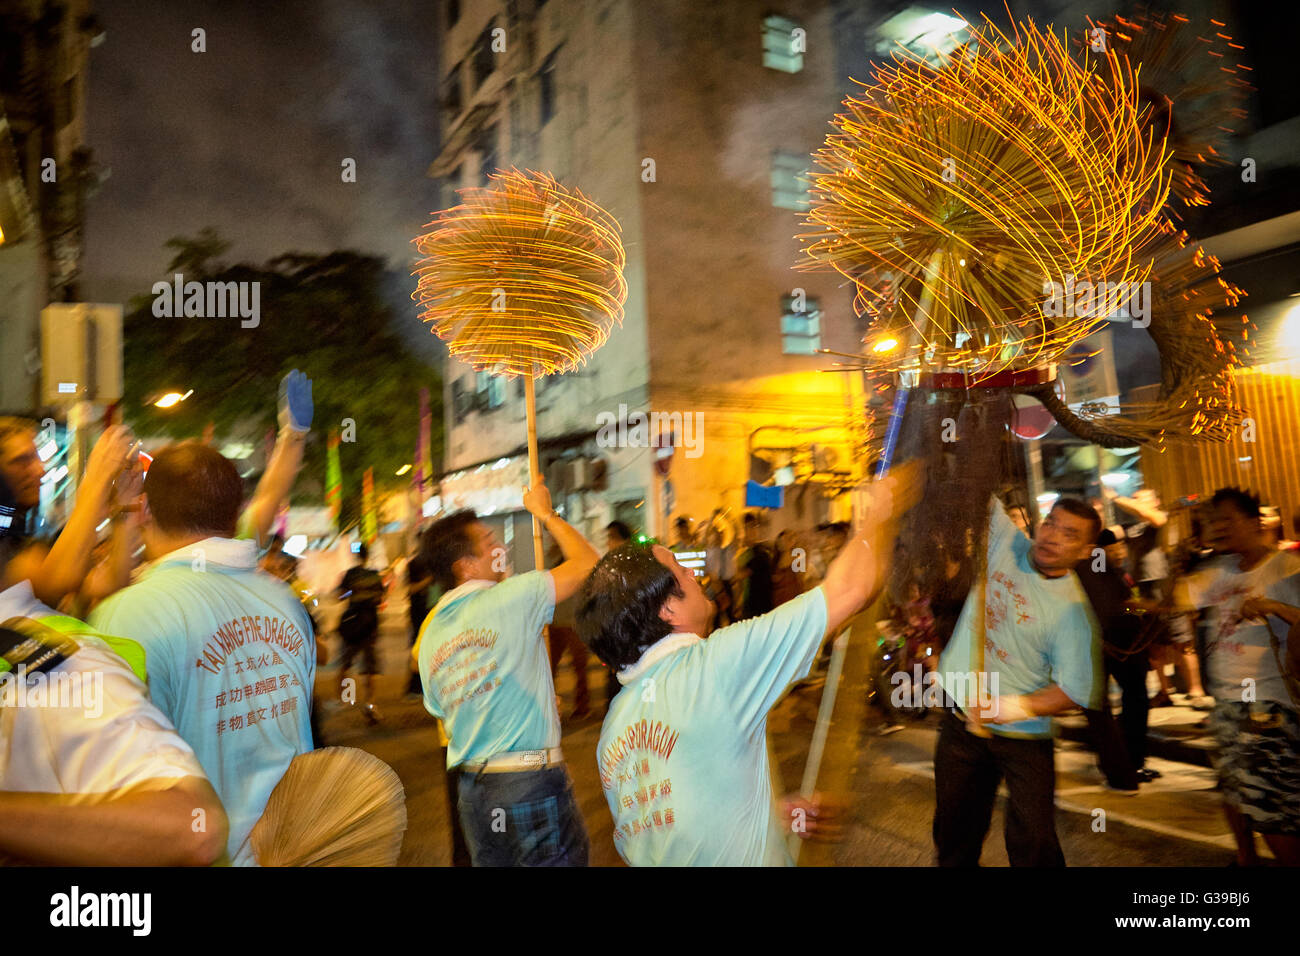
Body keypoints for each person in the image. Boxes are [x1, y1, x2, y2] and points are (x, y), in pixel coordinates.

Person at [575, 466, 915, 865]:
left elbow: (672, 822)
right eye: (679, 569)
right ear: (667, 608)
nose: (692, 571)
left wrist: (770, 817)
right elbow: (852, 588)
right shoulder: (713, 667)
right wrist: (880, 512)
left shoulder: (614, 727)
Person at [89, 441, 316, 866]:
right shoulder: (283, 601)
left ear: (147, 512)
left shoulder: (125, 617)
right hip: (298, 848)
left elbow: (113, 782)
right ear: (235, 514)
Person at [416, 475, 599, 866]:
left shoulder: (431, 632)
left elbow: (442, 711)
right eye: (489, 544)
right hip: (528, 783)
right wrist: (546, 513)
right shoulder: (513, 597)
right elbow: (588, 564)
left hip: (473, 791)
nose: (501, 548)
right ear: (465, 566)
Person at [933, 496, 1104, 867]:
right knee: (954, 831)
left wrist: (1010, 708)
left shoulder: (1074, 613)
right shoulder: (1006, 544)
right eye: (1051, 523)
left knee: (1034, 840)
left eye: (1069, 533)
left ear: (1087, 550)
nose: (1053, 536)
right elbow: (974, 490)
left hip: (1025, 738)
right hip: (962, 721)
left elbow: (1074, 691)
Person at [1175, 487, 1300, 866]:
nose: (1217, 528)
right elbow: (1172, 601)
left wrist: (1274, 606)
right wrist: (1179, 567)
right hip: (1227, 702)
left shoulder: (1286, 569)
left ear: (1253, 522)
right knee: (1232, 789)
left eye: (1226, 519)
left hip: (1268, 705)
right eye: (1212, 521)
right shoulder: (1217, 569)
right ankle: (1245, 858)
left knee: (1270, 807)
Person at [1075, 529, 1146, 790]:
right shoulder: (1084, 565)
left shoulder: (1108, 568)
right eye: (1113, 546)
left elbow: (1123, 602)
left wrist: (1143, 609)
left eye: (1121, 545)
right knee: (1099, 708)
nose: (1119, 550)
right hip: (1095, 645)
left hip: (1121, 641)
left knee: (1133, 698)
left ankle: (1131, 764)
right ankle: (1122, 771)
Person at [336, 542, 386, 723]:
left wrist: (351, 593)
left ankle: (344, 699)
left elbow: (340, 596)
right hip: (370, 625)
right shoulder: (375, 576)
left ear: (357, 556)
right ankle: (369, 703)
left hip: (353, 623)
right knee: (369, 668)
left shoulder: (351, 574)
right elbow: (381, 598)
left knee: (345, 664)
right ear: (368, 555)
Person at [735, 512, 774, 620]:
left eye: (753, 527)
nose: (750, 532)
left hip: (762, 605)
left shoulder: (763, 552)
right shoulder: (745, 553)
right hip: (750, 604)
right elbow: (739, 582)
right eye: (747, 528)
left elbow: (739, 575)